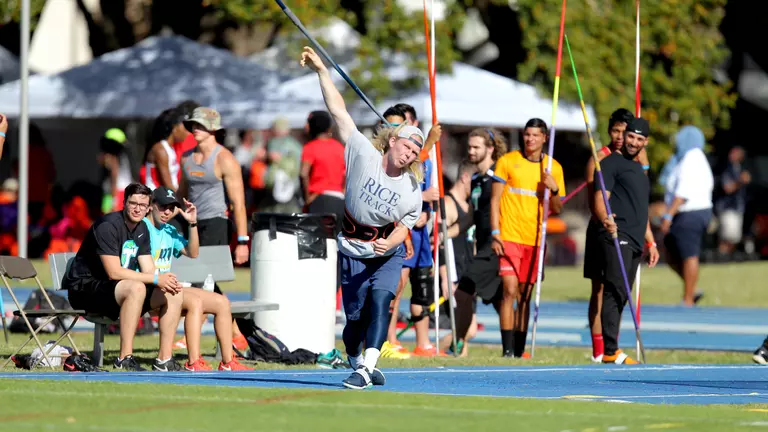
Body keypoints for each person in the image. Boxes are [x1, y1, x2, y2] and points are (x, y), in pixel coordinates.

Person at [301, 46, 423, 389]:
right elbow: (337, 110)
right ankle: (358, 359)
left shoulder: (411, 189)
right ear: (392, 140)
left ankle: (367, 367)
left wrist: (393, 241)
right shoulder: (362, 151)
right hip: (352, 248)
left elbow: (405, 227)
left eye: (415, 152)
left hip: (385, 253)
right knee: (353, 323)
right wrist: (322, 72)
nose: (410, 154)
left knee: (382, 301)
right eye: (407, 146)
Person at [62, 183, 184, 371]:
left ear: (149, 207)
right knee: (136, 287)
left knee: (173, 293)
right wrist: (155, 280)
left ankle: (164, 360)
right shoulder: (108, 225)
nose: (137, 208)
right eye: (133, 203)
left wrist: (164, 280)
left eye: (142, 205)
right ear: (124, 203)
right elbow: (114, 272)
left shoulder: (142, 228)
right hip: (86, 288)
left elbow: (148, 269)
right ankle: (124, 358)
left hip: (116, 288)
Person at [143, 186, 250, 371]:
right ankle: (193, 362)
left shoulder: (169, 230)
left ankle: (228, 362)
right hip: (147, 289)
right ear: (151, 205)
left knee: (221, 302)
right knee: (195, 302)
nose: (167, 211)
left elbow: (193, 252)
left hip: (167, 287)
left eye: (171, 207)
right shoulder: (142, 228)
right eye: (162, 206)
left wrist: (192, 224)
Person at [583, 108, 655, 362]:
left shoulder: (639, 170)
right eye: (630, 137)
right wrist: (606, 219)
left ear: (645, 142)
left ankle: (611, 347)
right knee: (614, 289)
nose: (633, 142)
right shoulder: (609, 163)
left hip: (636, 238)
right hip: (616, 234)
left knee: (623, 291)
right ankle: (610, 351)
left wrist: (651, 241)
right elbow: (601, 198)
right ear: (624, 137)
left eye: (639, 139)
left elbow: (641, 208)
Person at [491, 118, 565, 358]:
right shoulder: (507, 162)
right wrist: (495, 232)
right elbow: (494, 201)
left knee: (525, 294)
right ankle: (507, 350)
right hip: (509, 235)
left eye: (535, 135)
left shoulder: (554, 168)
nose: (530, 139)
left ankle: (520, 348)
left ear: (544, 138)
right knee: (509, 290)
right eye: (527, 134)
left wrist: (552, 188)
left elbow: (557, 208)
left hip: (534, 239)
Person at [178, 106, 250, 350]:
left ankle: (191, 335)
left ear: (213, 129)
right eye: (193, 125)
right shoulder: (186, 158)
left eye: (199, 125)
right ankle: (235, 332)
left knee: (204, 281)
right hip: (191, 224)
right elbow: (181, 194)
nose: (195, 129)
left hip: (216, 223)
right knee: (193, 278)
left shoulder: (225, 159)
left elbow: (238, 203)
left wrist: (242, 241)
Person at [378, 104, 442, 359]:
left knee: (412, 283)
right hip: (392, 228)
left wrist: (425, 206)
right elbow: (403, 176)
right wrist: (428, 144)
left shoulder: (414, 153)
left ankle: (415, 341)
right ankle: (385, 339)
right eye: (393, 125)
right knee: (394, 284)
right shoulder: (389, 152)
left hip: (414, 228)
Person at [452, 128, 508, 355]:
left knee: (463, 291)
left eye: (476, 147)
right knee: (497, 299)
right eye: (469, 147)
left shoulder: (500, 175)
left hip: (497, 245)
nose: (471, 151)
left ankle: (458, 344)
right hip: (482, 244)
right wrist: (447, 231)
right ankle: (512, 349)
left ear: (490, 149)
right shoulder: (476, 179)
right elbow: (472, 217)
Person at [659, 125, 714, 306]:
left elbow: (683, 192)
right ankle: (692, 289)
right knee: (669, 251)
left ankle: (688, 298)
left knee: (689, 253)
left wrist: (668, 215)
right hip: (686, 213)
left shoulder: (692, 158)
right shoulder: (684, 159)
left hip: (691, 212)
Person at [437, 160, 476, 356]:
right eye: (475, 182)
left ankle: (459, 361)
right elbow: (438, 241)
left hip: (469, 269)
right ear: (465, 177)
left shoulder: (470, 206)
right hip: (453, 272)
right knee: (468, 328)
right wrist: (445, 276)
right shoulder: (448, 204)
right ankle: (437, 349)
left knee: (468, 328)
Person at [300, 110, 346, 228]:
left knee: (318, 242)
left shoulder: (310, 147)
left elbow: (303, 174)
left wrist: (307, 198)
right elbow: (347, 173)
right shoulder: (339, 147)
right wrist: (343, 192)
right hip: (339, 200)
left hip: (318, 200)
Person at [141, 108, 188, 191]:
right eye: (184, 126)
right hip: (155, 199)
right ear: (175, 128)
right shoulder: (160, 149)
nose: (187, 132)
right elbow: (168, 186)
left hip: (165, 198)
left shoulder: (170, 149)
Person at [716, 146, 750, 257]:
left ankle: (727, 257)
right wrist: (741, 180)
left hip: (738, 207)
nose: (732, 154)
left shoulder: (740, 168)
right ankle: (721, 256)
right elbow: (727, 188)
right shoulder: (726, 168)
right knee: (727, 235)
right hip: (727, 207)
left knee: (735, 237)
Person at [98, 128, 134, 212]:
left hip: (115, 194)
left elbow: (114, 178)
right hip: (121, 193)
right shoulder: (122, 156)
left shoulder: (113, 158)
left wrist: (113, 201)